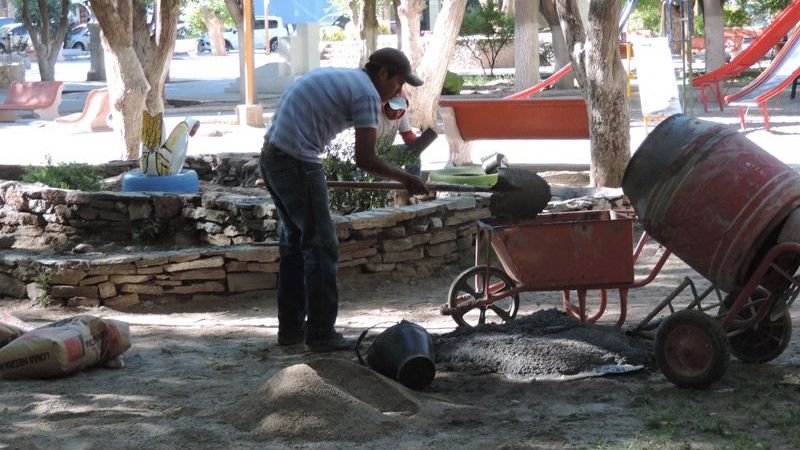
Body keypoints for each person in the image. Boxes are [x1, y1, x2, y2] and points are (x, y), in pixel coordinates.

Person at [260, 47, 429, 352]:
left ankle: (291, 330)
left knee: (295, 245)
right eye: (398, 82)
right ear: (382, 74)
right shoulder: (366, 93)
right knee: (322, 246)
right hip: (296, 160)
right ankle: (322, 333)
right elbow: (365, 159)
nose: (399, 90)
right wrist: (407, 179)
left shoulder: (351, 80)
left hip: (273, 156)